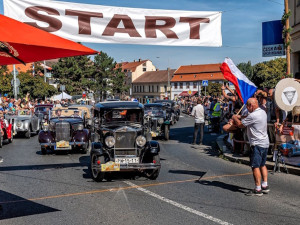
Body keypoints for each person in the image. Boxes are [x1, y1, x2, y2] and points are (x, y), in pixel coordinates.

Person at [232, 98, 269, 196]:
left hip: (256, 144)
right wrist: (240, 116)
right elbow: (247, 116)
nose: (247, 109)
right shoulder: (262, 112)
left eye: (247, 107)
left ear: (251, 106)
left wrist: (235, 117)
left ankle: (258, 189)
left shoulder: (253, 115)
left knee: (255, 166)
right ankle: (265, 185)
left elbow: (240, 125)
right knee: (262, 164)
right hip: (265, 143)